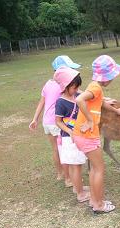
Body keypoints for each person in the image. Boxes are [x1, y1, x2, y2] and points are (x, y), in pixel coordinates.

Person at [73, 55, 120, 214]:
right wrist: (91, 121)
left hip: (81, 134)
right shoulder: (96, 88)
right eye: (112, 76)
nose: (113, 79)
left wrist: (116, 111)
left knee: (94, 169)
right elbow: (80, 100)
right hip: (87, 135)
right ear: (106, 78)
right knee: (99, 169)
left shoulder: (94, 86)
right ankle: (98, 205)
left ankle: (94, 199)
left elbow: (100, 102)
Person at [29, 55, 81, 186]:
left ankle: (60, 174)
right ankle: (68, 179)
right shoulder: (63, 85)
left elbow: (42, 102)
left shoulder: (47, 84)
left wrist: (35, 119)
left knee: (55, 150)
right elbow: (82, 93)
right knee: (64, 150)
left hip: (47, 122)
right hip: (58, 122)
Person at [54, 67, 90, 202]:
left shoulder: (76, 96)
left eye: (77, 87)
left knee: (78, 165)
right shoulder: (61, 102)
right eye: (74, 87)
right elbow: (57, 121)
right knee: (75, 167)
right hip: (70, 139)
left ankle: (78, 187)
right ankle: (80, 194)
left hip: (78, 136)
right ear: (66, 86)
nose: (76, 90)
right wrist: (70, 131)